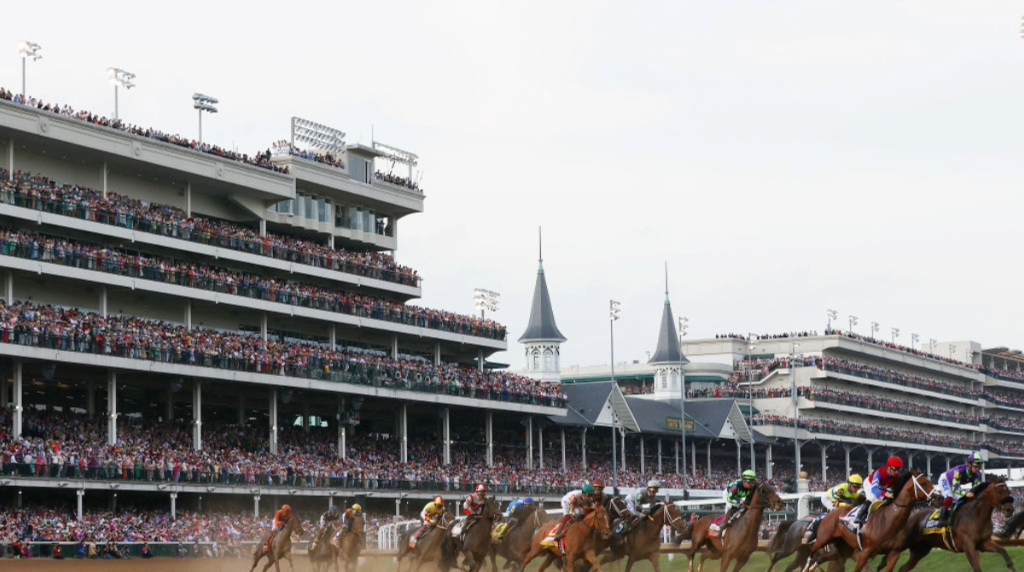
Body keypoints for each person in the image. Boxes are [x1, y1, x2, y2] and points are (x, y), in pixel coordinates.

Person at [806, 474, 864, 542]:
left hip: (838, 500)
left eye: (858, 487)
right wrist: (846, 505)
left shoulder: (856, 493)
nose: (856, 489)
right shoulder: (842, 489)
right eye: (855, 487)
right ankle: (813, 523)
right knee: (834, 512)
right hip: (828, 499)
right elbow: (834, 503)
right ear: (849, 484)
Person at [937, 452, 984, 525]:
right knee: (949, 497)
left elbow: (974, 489)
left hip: (955, 483)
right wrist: (966, 493)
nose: (977, 469)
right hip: (945, 480)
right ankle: (941, 519)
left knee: (963, 499)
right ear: (969, 464)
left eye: (979, 467)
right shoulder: (958, 471)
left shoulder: (977, 475)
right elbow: (955, 489)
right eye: (975, 466)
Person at [855, 456, 903, 527]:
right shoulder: (879, 473)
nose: (896, 472)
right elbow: (874, 490)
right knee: (873, 497)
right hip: (870, 484)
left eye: (898, 470)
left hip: (882, 486)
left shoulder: (897, 476)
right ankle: (859, 515)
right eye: (894, 469)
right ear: (888, 467)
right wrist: (885, 494)